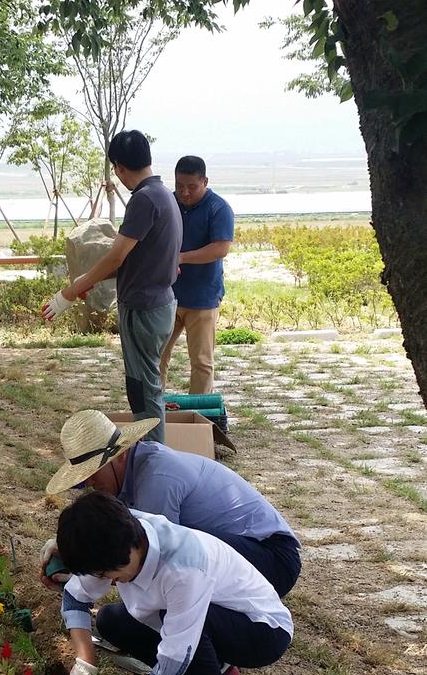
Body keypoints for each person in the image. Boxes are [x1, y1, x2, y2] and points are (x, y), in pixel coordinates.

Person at [55, 492, 293, 675]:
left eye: (108, 575)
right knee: (111, 620)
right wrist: (85, 662)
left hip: (261, 630)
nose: (108, 582)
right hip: (207, 617)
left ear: (129, 552)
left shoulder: (184, 568)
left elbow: (172, 663)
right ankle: (218, 674)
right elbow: (75, 596)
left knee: (188, 631)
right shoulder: (117, 534)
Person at [43, 409, 301, 598]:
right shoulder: (132, 473)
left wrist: (82, 571)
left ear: (117, 458)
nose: (87, 484)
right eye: (81, 481)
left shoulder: (156, 479)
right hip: (249, 553)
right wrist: (69, 551)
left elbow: (146, 562)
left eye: (91, 474)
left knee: (167, 568)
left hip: (271, 559)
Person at [42, 129, 181, 443]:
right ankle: (151, 453)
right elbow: (137, 259)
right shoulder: (164, 196)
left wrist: (72, 290)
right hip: (159, 302)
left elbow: (117, 256)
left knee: (143, 390)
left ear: (118, 167)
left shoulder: (144, 200)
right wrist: (88, 282)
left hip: (144, 309)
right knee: (146, 387)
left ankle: (153, 461)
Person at [160, 155, 235, 395]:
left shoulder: (219, 208)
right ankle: (153, 413)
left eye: (191, 187)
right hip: (166, 296)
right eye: (179, 186)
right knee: (156, 356)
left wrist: (181, 257)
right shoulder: (167, 203)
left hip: (202, 298)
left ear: (205, 181)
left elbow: (220, 248)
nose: (184, 192)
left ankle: (200, 418)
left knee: (201, 362)